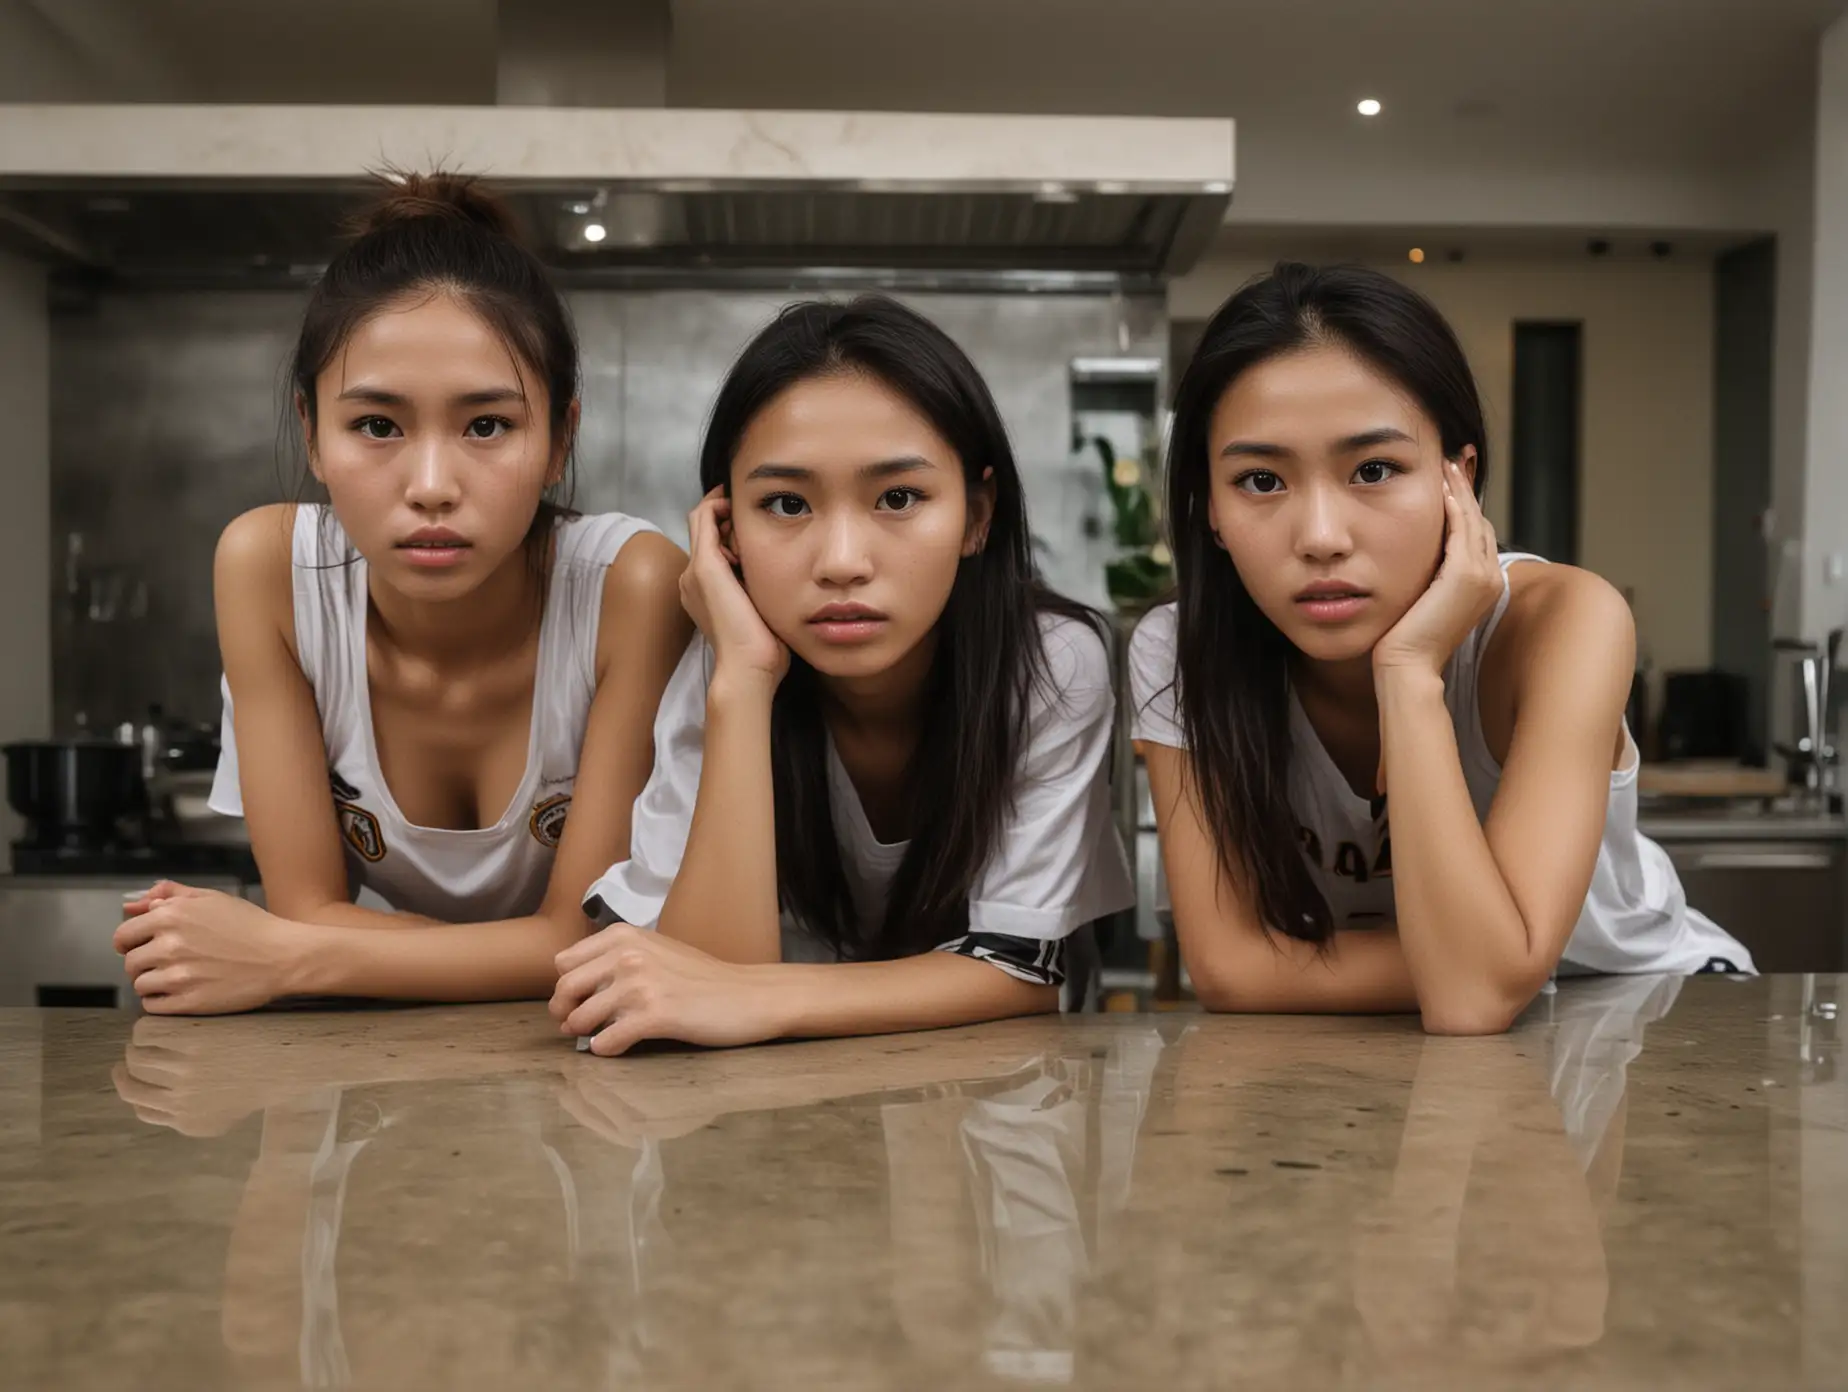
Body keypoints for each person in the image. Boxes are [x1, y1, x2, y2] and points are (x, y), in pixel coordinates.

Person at [113, 172, 691, 1014]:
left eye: (487, 425)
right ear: (312, 434)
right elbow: (309, 906)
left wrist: (289, 959)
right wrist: (305, 938)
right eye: (377, 425)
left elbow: (583, 935)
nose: (430, 485)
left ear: (561, 438)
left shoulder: (629, 586)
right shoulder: (268, 569)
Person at [1129, 262, 1751, 1035]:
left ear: (1460, 479)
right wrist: (1495, 955)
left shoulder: (1564, 622)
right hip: (1394, 1049)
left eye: (1375, 470)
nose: (1321, 537)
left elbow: (1472, 998)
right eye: (1260, 480)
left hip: (1656, 1018)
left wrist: (1408, 674)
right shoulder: (1182, 649)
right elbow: (1228, 971)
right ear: (1210, 509)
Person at [550, 296, 1134, 1055]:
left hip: (995, 1098)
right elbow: (695, 982)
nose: (841, 563)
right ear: (725, 531)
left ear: (978, 514)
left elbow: (1017, 971)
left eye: (899, 498)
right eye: (786, 504)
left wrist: (758, 998)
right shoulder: (723, 662)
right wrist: (745, 680)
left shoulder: (1052, 664)